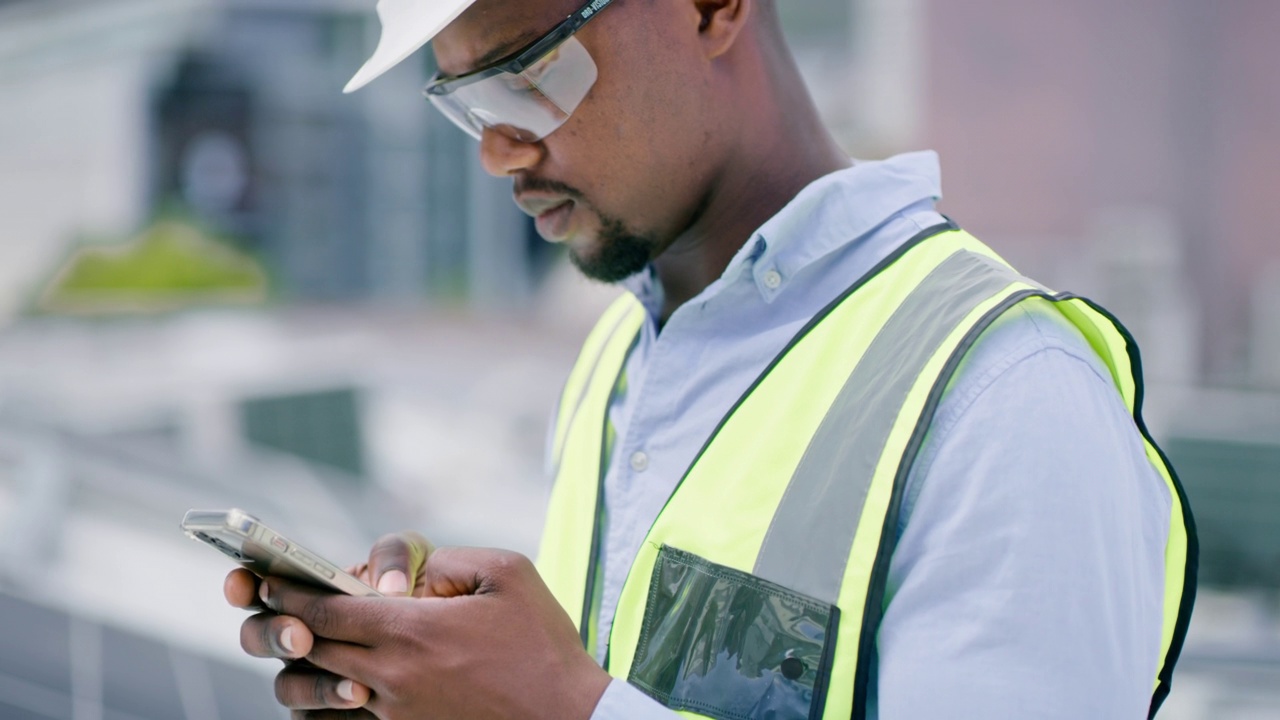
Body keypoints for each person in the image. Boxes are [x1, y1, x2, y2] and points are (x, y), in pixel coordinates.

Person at [223, 0, 1198, 718]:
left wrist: (566, 708)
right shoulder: (617, 354)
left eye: (526, 75)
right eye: (463, 104)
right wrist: (451, 683)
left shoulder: (1005, 400)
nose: (497, 152)